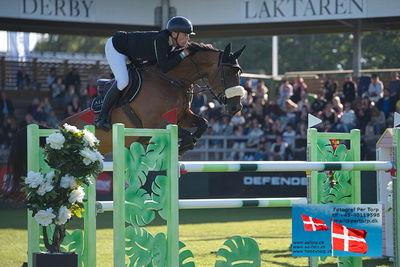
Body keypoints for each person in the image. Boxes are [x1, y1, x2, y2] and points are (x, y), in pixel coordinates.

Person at [95, 16, 195, 129]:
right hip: (116, 47)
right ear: (174, 33)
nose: (188, 39)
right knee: (123, 81)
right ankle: (102, 117)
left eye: (188, 35)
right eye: (185, 35)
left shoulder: (172, 44)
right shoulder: (161, 40)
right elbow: (165, 67)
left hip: (132, 54)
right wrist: (183, 54)